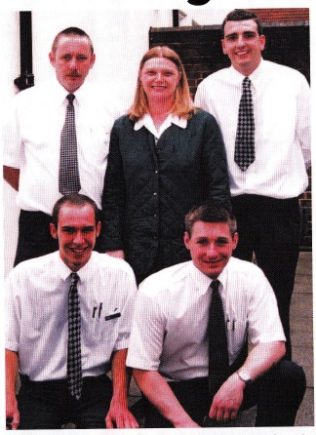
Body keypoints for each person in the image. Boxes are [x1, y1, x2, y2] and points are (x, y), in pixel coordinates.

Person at [194, 9, 311, 359]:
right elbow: (204, 148)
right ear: (223, 46)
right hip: (229, 209)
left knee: (277, 296)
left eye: (247, 35)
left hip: (278, 206)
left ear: (261, 40)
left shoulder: (293, 82)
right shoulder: (209, 88)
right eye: (232, 37)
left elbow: (308, 145)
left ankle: (277, 375)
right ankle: (232, 376)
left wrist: (280, 175)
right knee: (230, 298)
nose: (240, 43)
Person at [126, 203, 306, 428]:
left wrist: (240, 379)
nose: (212, 252)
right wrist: (185, 425)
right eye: (202, 242)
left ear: (235, 241)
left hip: (229, 380)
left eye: (221, 242)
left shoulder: (251, 276)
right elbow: (143, 370)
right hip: (177, 387)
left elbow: (274, 343)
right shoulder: (156, 290)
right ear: (187, 241)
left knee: (288, 376)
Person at [5, 193, 139, 430]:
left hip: (93, 385)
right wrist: (7, 397)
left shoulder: (119, 274)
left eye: (86, 230)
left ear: (98, 229)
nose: (79, 240)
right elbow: (9, 344)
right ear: (53, 230)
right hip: (40, 387)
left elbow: (123, 342)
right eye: (69, 230)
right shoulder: (23, 277)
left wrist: (120, 400)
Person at [101, 45, 230, 284]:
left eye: (167, 73)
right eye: (151, 73)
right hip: (135, 252)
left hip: (187, 252)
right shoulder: (123, 128)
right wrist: (113, 245)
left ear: (179, 77)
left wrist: (209, 243)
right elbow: (113, 193)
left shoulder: (202, 125)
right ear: (140, 77)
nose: (159, 79)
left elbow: (218, 189)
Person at [2, 27, 119, 265]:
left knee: (91, 299)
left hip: (91, 227)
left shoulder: (112, 109)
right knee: (33, 298)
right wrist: (45, 197)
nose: (73, 65)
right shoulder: (23, 105)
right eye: (66, 57)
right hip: (38, 225)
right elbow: (9, 168)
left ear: (92, 61)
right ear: (52, 58)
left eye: (81, 58)